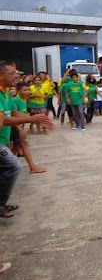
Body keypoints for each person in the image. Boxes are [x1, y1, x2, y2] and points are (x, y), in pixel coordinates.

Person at [0, 61, 54, 218]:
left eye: (17, 73)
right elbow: (4, 119)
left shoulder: (6, 93)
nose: (16, 76)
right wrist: (31, 120)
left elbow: (13, 112)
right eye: (13, 73)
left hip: (3, 140)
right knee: (13, 166)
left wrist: (34, 118)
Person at [11, 82, 47, 173]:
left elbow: (22, 115)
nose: (28, 92)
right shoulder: (15, 100)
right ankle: (31, 167)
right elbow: (12, 115)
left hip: (19, 126)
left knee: (18, 145)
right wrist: (19, 129)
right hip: (13, 126)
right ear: (19, 91)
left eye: (28, 90)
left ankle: (9, 164)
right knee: (22, 144)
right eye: (25, 90)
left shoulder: (25, 100)